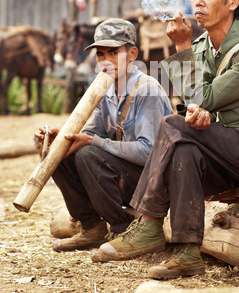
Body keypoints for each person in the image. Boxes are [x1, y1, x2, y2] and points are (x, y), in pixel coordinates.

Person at [93, 0, 239, 279]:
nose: (197, 0)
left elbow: (206, 98)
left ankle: (147, 223)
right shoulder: (202, 48)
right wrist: (197, 114)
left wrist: (180, 47)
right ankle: (187, 251)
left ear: (233, 1)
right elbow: (196, 104)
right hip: (228, 153)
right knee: (183, 149)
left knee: (171, 125)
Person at [35, 18, 172, 252]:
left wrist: (92, 141)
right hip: (124, 178)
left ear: (132, 54)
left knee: (89, 153)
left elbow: (150, 152)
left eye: (113, 52)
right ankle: (92, 228)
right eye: (100, 54)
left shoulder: (146, 90)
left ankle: (124, 228)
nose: (106, 60)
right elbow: (90, 132)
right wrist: (62, 137)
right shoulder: (105, 89)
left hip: (152, 184)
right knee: (61, 151)